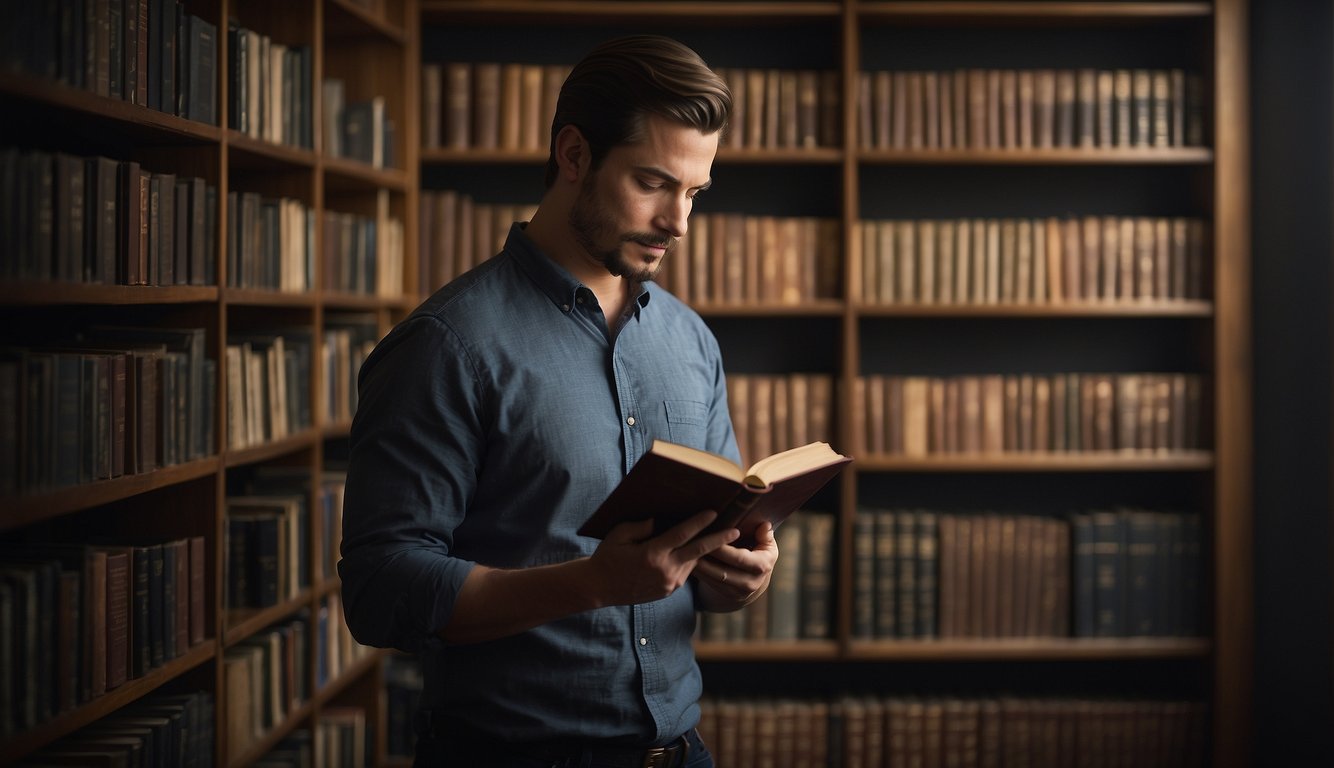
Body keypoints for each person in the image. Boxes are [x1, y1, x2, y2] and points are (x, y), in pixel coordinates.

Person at [338, 35, 778, 767]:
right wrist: (591, 583)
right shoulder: (447, 345)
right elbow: (380, 592)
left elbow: (702, 554)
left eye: (695, 192)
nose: (680, 222)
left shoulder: (690, 340)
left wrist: (739, 575)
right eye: (653, 183)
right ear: (574, 156)